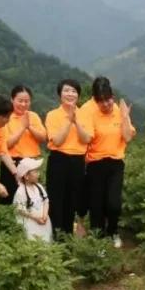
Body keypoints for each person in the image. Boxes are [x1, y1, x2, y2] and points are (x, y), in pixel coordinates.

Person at [79, 76, 137, 248]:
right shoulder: (87, 110)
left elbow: (127, 136)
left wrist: (125, 117)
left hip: (116, 163)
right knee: (96, 205)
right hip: (94, 163)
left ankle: (113, 232)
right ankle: (98, 241)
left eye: (108, 99)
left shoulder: (119, 109)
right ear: (95, 100)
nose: (106, 104)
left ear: (112, 96)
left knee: (114, 204)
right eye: (101, 101)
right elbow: (87, 138)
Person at [44, 79, 93, 239]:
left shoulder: (85, 114)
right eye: (66, 90)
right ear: (60, 94)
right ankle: (55, 238)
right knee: (56, 200)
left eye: (73, 91)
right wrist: (68, 120)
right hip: (59, 160)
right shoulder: (53, 115)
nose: (70, 94)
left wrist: (76, 120)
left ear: (78, 95)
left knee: (73, 200)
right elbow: (57, 141)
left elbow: (86, 139)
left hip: (78, 161)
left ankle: (67, 238)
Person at [0, 85, 46, 203]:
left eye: (27, 101)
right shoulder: (6, 117)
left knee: (30, 198)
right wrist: (22, 128)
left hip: (31, 163)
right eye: (20, 101)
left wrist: (29, 126)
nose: (23, 104)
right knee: (10, 198)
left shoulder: (33, 116)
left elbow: (43, 138)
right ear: (12, 100)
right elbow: (6, 144)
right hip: (12, 163)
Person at [13, 157, 51, 242]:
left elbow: (46, 201)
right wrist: (35, 218)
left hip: (43, 222)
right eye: (35, 172)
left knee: (45, 241)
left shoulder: (39, 187)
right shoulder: (21, 191)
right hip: (30, 223)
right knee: (31, 242)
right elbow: (20, 209)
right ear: (26, 176)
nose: (38, 174)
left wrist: (45, 215)